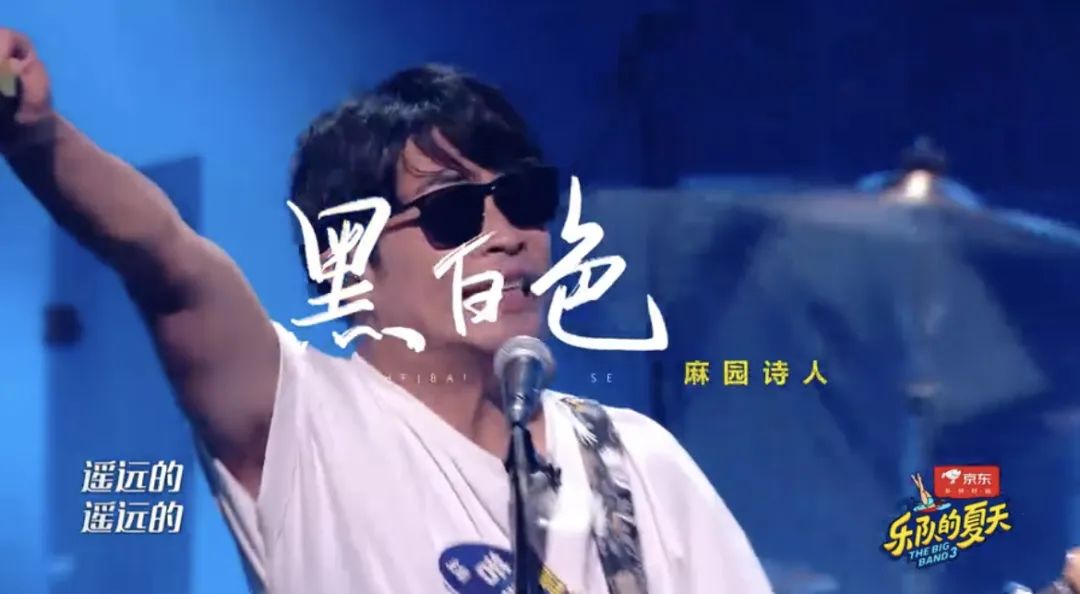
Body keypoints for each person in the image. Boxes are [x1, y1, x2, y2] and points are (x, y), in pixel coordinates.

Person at [0, 28, 773, 594]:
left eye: (525, 199)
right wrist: (36, 137)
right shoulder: (300, 422)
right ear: (344, 257)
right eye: (453, 211)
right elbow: (166, 259)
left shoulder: (634, 461)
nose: (509, 237)